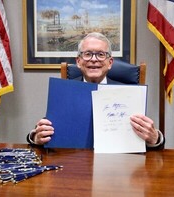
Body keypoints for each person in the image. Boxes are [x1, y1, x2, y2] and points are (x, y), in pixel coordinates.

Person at [27, 32, 165, 150]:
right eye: (87, 54)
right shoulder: (65, 92)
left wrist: (155, 138)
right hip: (73, 165)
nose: (94, 60)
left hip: (118, 167)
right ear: (79, 61)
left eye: (100, 54)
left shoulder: (127, 92)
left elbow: (147, 137)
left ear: (110, 62)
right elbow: (44, 130)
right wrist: (35, 136)